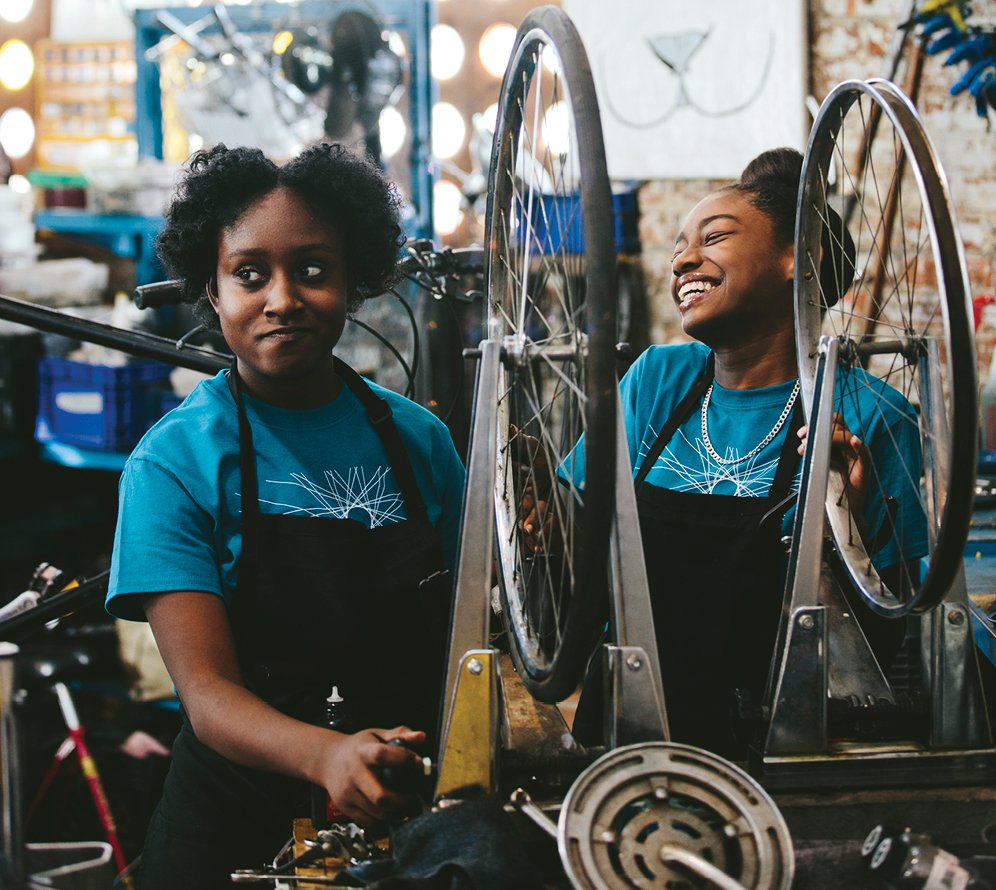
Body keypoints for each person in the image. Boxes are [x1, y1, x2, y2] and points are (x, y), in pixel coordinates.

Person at [106, 143, 465, 886]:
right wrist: (326, 754)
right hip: (233, 813)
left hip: (400, 799)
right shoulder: (173, 463)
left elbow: (467, 636)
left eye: (311, 270)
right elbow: (207, 696)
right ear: (211, 289)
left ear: (353, 279)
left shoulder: (420, 441)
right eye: (249, 274)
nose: (282, 298)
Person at [553, 147, 928, 756]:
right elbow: (571, 540)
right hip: (628, 731)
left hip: (786, 746)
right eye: (678, 246)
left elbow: (899, 639)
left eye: (715, 237)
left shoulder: (872, 416)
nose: (684, 260)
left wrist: (845, 530)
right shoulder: (658, 379)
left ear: (794, 260)